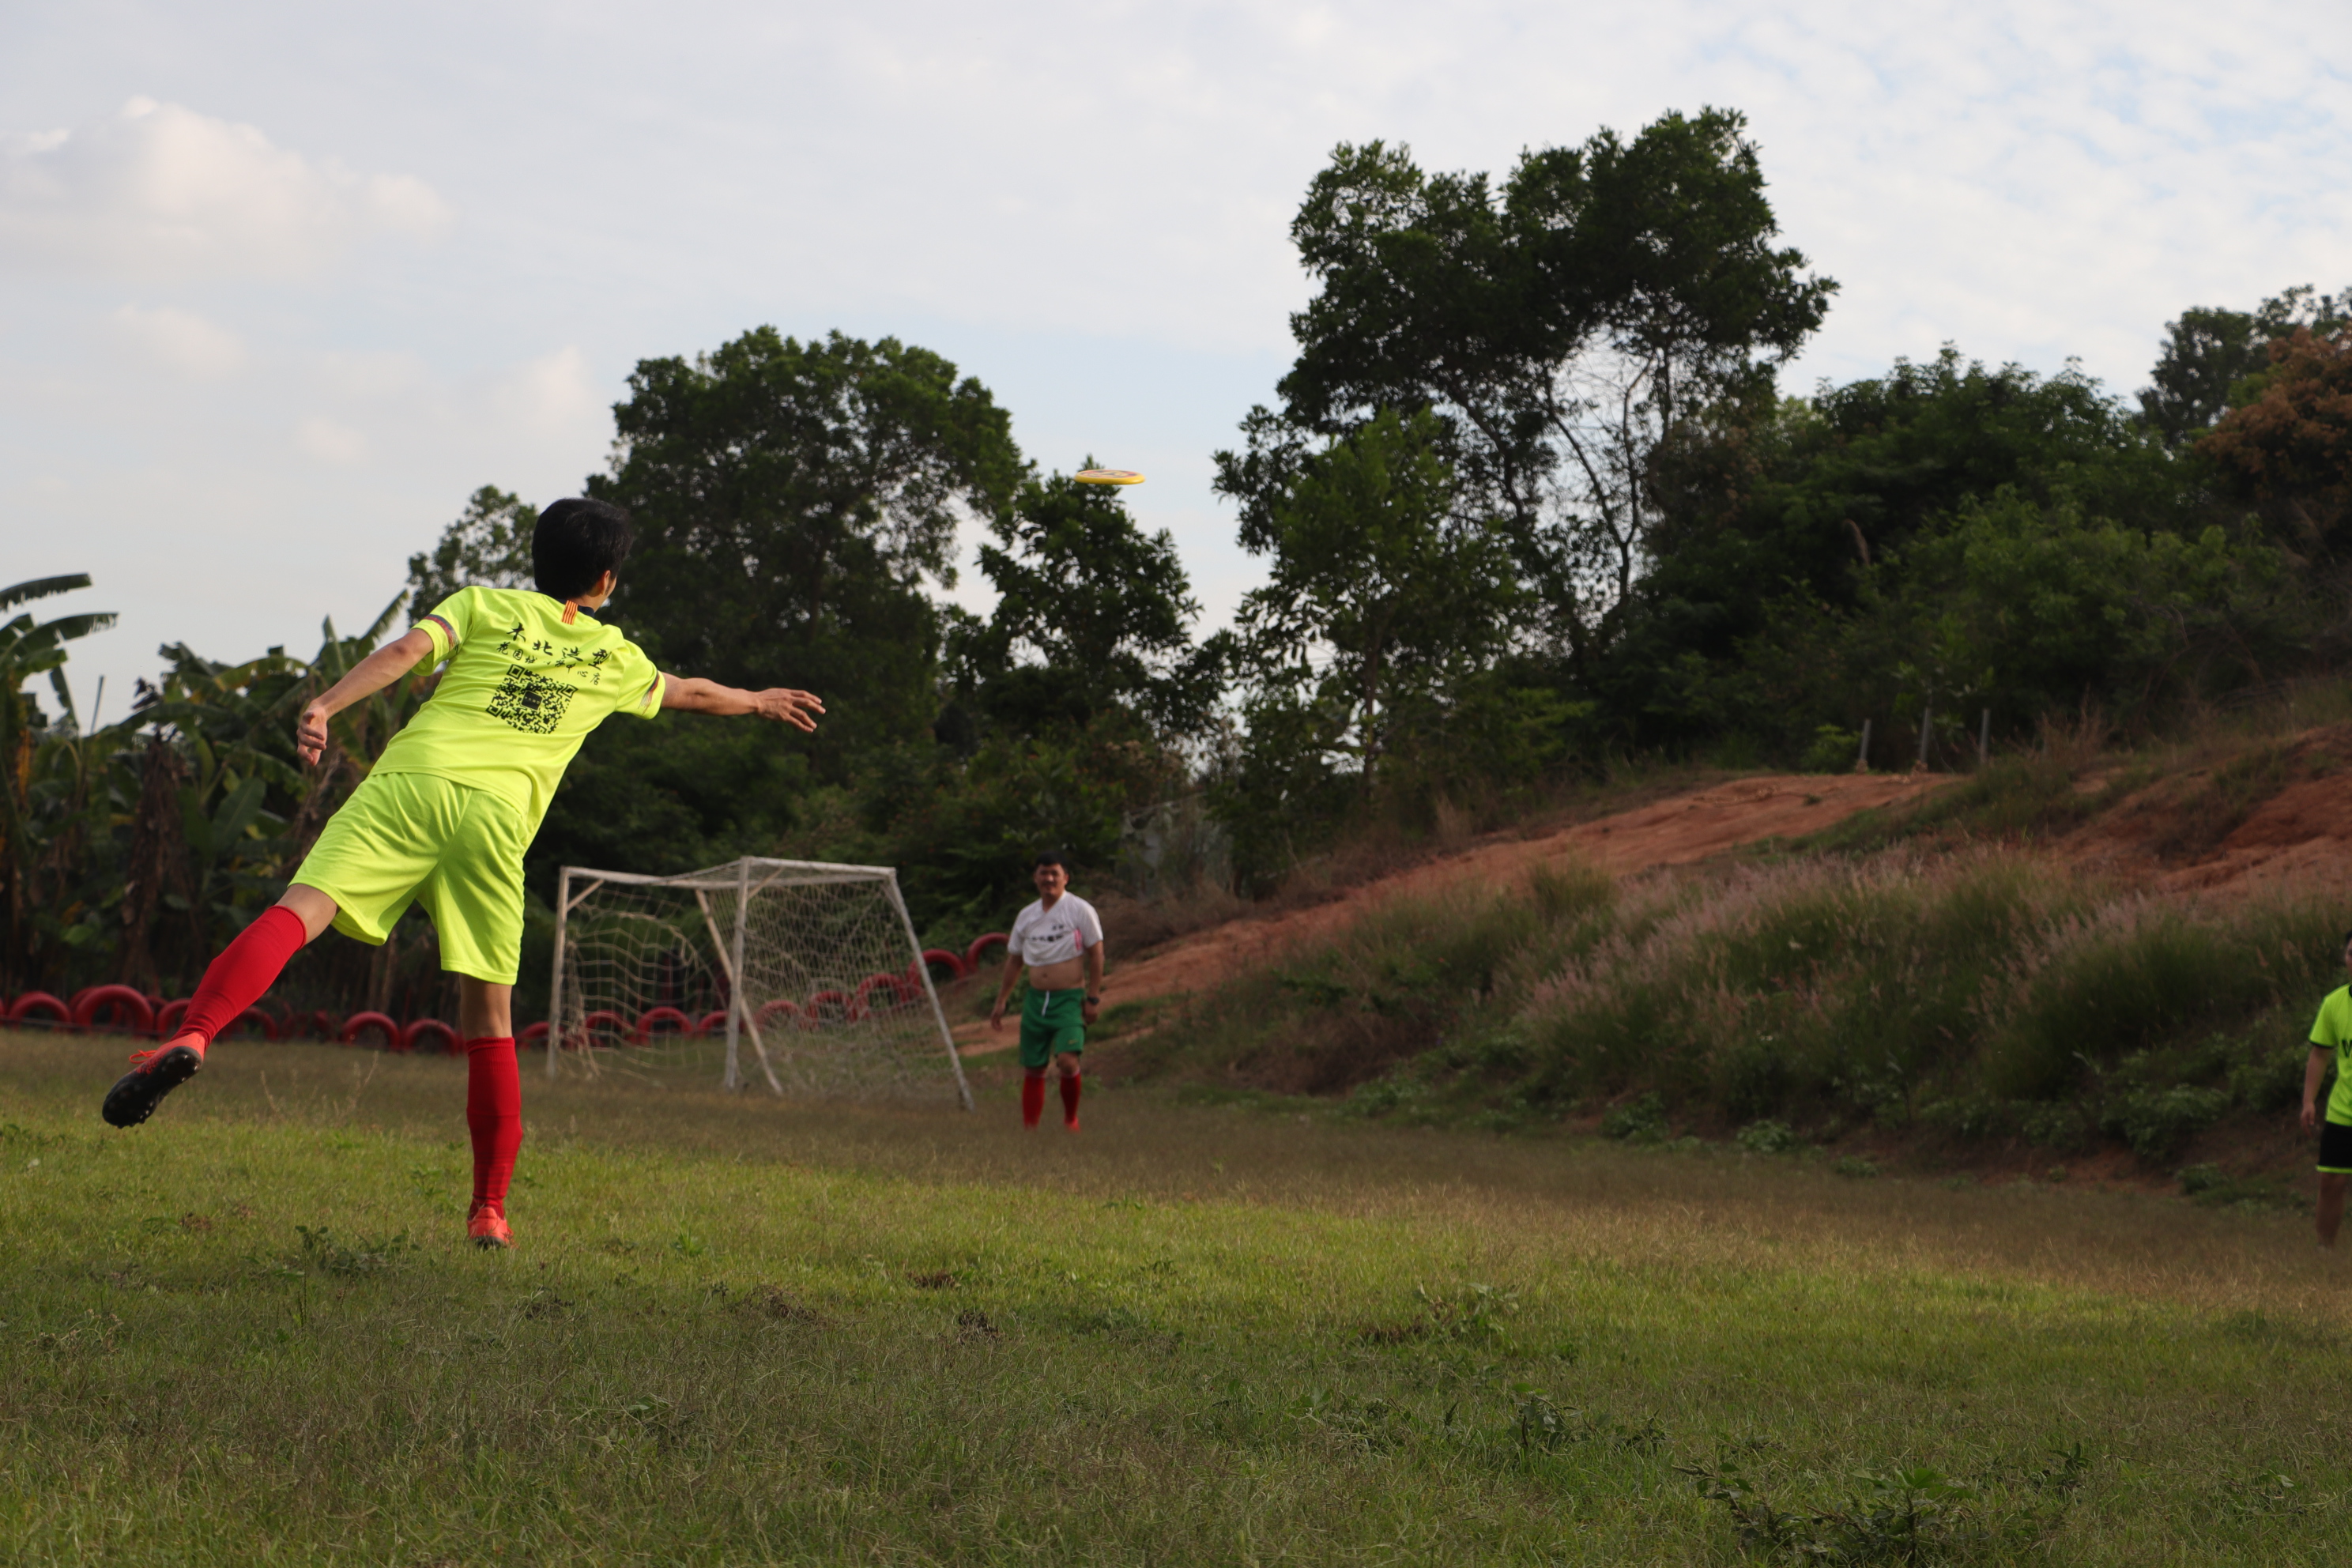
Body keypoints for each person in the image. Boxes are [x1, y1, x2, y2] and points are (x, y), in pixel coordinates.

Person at [100, 498, 824, 1249]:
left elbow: (405, 655)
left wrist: (324, 704)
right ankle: (489, 1210)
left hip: (413, 786)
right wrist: (760, 701)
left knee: (300, 912)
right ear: (605, 580)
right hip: (496, 825)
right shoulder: (615, 657)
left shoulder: (482, 605)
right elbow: (694, 692)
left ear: (536, 560)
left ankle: (192, 1036)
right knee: (491, 1023)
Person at [987, 851, 1104, 1131]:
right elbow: (1015, 959)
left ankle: (1070, 1120)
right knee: (1034, 1066)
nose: (1048, 879)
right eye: (1043, 873)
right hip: (1036, 1000)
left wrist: (1093, 998)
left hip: (1069, 999)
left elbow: (1097, 954)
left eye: (1054, 873)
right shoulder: (1027, 916)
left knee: (1066, 1060)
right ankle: (1031, 1129)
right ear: (1035, 878)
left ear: (1066, 877)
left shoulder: (1079, 910)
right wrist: (1001, 1000)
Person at [2301, 927, 2352, 1247]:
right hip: (2343, 1113)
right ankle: (2324, 1252)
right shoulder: (2334, 1003)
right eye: (2351, 954)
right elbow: (2320, 1054)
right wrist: (2309, 1100)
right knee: (2330, 1182)